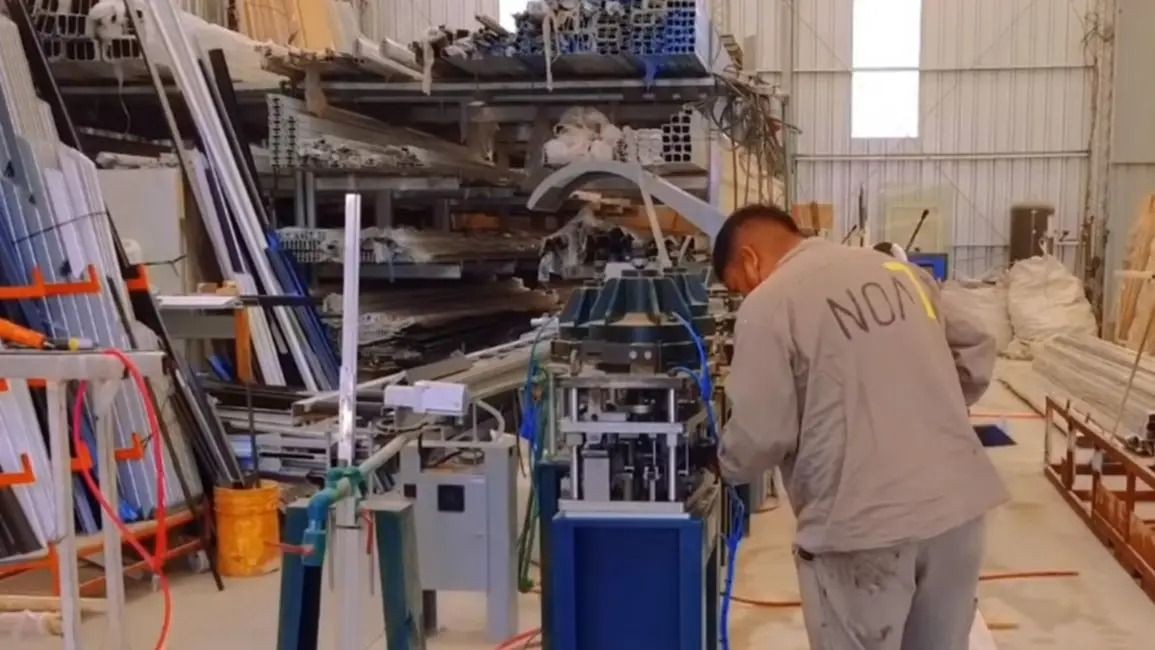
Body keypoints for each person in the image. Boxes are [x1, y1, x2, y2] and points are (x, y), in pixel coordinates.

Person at [712, 204, 1008, 650]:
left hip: (861, 530)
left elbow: (762, 434)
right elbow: (976, 348)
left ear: (750, 259)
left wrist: (723, 464)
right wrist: (927, 404)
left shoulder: (769, 303)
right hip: (957, 517)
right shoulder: (899, 272)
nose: (745, 294)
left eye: (739, 286)